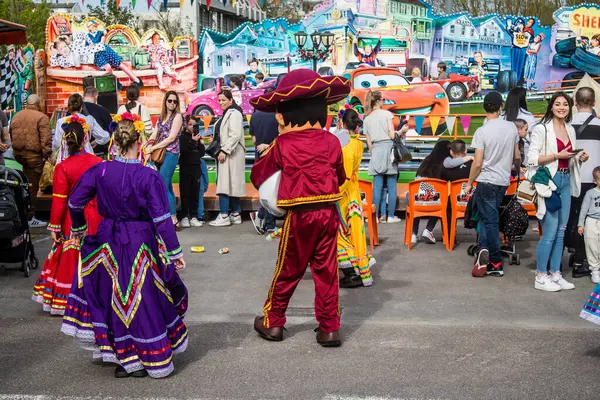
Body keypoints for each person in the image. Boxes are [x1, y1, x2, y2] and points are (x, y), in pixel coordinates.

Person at [60, 111, 188, 379]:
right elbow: (163, 220)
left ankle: (124, 357)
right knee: (141, 298)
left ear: (116, 141)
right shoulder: (147, 176)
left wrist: (80, 228)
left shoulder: (101, 170)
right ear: (139, 141)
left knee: (115, 294)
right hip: (140, 240)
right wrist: (175, 253)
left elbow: (74, 202)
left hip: (107, 239)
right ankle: (145, 356)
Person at [249, 68, 349, 346]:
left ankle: (274, 322)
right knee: (327, 271)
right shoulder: (331, 141)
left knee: (288, 270)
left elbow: (258, 175)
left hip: (300, 215)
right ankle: (329, 327)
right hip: (328, 212)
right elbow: (339, 177)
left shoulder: (282, 143)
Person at [31, 116, 102, 315]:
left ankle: (69, 299)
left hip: (72, 218)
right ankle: (95, 297)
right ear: (86, 138)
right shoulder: (98, 163)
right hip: (96, 216)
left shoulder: (62, 167)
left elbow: (60, 200)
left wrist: (54, 225)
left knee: (70, 257)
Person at [527, 92, 588, 291]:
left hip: (566, 179)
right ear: (551, 107)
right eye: (558, 104)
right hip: (549, 182)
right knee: (550, 231)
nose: (562, 107)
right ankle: (541, 275)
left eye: (565, 104)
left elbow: (567, 157)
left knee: (561, 231)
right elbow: (532, 159)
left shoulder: (570, 128)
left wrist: (578, 158)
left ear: (570, 107)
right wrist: (556, 155)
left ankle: (555, 273)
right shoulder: (541, 129)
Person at [466, 91, 520, 278]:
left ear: (484, 107)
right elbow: (517, 156)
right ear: (501, 106)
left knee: (489, 220)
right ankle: (483, 248)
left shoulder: (482, 131)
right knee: (486, 217)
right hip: (503, 180)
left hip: (486, 180)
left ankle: (495, 260)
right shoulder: (512, 127)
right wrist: (517, 170)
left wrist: (469, 182)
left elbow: (478, 162)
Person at [334, 107, 375, 288]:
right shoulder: (357, 142)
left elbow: (346, 175)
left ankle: (350, 272)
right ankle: (356, 270)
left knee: (340, 233)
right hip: (352, 192)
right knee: (352, 233)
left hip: (343, 193)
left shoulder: (347, 147)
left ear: (343, 123)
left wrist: (331, 194)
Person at [566, 87, 600, 278]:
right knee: (591, 222)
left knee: (575, 220)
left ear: (575, 103)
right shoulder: (599, 124)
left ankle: (576, 255)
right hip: (595, 180)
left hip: (572, 178)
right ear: (594, 103)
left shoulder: (567, 125)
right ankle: (583, 259)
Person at [363, 90, 407, 224]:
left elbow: (369, 143)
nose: (384, 102)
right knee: (392, 185)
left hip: (376, 150)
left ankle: (374, 216)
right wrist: (402, 131)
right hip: (388, 149)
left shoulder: (367, 119)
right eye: (383, 100)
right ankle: (390, 216)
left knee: (377, 186)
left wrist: (375, 153)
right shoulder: (387, 114)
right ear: (377, 101)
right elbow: (392, 135)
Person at [9, 94, 52, 227]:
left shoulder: (17, 115)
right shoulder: (41, 117)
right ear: (39, 104)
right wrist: (47, 155)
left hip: (19, 155)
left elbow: (11, 133)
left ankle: (23, 213)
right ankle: (29, 217)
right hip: (34, 157)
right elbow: (46, 140)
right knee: (32, 187)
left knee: (25, 184)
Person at [209, 90, 246, 227]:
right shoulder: (229, 113)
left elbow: (235, 134)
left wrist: (225, 150)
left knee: (224, 184)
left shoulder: (234, 113)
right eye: (219, 100)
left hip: (230, 152)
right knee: (231, 183)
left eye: (223, 100)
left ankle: (224, 214)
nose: (221, 103)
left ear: (231, 100)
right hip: (229, 152)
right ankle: (235, 213)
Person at [146, 91, 183, 226]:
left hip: (171, 153)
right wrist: (148, 145)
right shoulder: (161, 117)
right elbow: (154, 134)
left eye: (175, 101)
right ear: (165, 102)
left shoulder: (178, 116)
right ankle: (170, 217)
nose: (172, 103)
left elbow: (172, 138)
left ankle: (172, 218)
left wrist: (153, 148)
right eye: (170, 101)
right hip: (160, 153)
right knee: (166, 185)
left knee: (162, 183)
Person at [409, 140, 452, 245]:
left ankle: (413, 234)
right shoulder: (445, 164)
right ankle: (429, 229)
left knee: (417, 198)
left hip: (417, 200)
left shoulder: (426, 161)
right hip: (434, 202)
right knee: (442, 200)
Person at [249, 87, 279, 234]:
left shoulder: (255, 116)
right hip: (274, 156)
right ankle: (267, 221)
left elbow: (254, 139)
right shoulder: (279, 115)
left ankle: (262, 216)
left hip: (259, 157)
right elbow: (283, 138)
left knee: (265, 190)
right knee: (273, 190)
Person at [54, 93, 110, 163]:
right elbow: (104, 136)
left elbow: (57, 143)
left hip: (66, 155)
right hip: (86, 153)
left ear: (69, 107)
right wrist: (96, 141)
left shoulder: (61, 121)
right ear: (81, 107)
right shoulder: (89, 119)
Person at [179, 115, 205, 228]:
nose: (192, 127)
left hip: (196, 166)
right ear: (185, 125)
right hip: (185, 166)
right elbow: (183, 150)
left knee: (195, 192)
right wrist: (192, 141)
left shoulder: (198, 136)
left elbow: (202, 152)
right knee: (185, 192)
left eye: (194, 125)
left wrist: (199, 143)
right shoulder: (182, 137)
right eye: (190, 125)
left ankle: (194, 215)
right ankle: (185, 216)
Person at [578, 167, 600, 283]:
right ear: (595, 181)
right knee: (592, 245)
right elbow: (584, 209)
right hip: (591, 221)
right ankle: (595, 270)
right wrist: (580, 224)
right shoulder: (590, 193)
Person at [82, 86, 112, 156]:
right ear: (96, 97)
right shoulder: (103, 111)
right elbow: (110, 131)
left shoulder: (73, 112)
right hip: (98, 152)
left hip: (77, 152)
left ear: (83, 96)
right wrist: (98, 141)